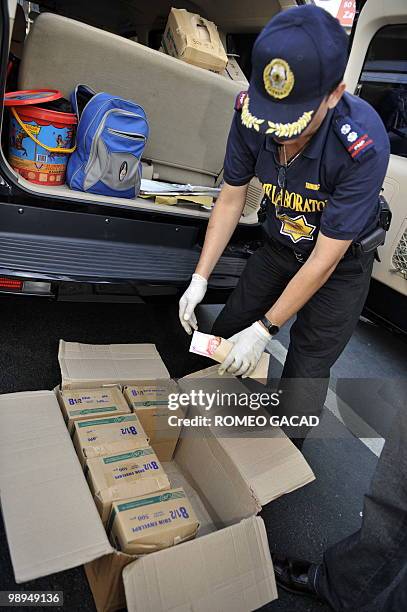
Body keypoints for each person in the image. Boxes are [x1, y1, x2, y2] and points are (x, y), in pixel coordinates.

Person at [178, 5, 390, 441]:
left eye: (293, 123)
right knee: (226, 330)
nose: (280, 135)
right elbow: (234, 194)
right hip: (279, 246)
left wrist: (266, 329)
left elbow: (325, 260)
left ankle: (282, 460)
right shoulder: (248, 111)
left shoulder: (361, 145)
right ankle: (201, 435)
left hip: (339, 265)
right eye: (271, 120)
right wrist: (200, 278)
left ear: (334, 95)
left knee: (305, 374)